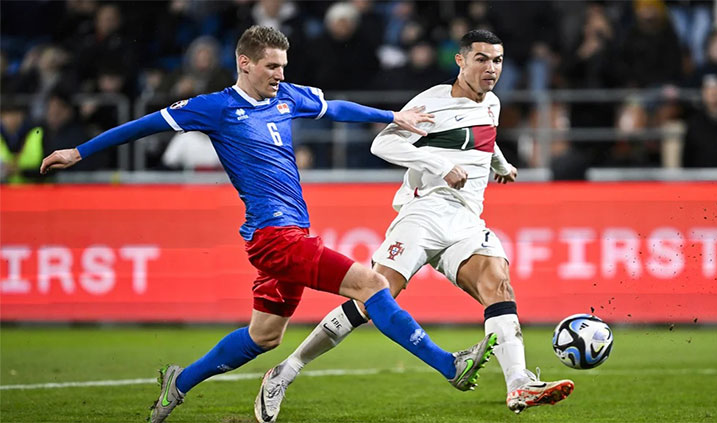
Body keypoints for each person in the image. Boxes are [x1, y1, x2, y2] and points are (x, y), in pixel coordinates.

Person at [39, 26, 498, 423]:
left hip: (288, 234)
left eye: (283, 66)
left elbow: (334, 107)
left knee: (264, 336)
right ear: (245, 63)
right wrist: (78, 152)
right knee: (372, 285)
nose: (281, 75)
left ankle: (179, 381)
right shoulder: (213, 107)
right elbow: (142, 126)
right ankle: (448, 366)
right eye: (273, 67)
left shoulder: (287, 96)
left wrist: (391, 116)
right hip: (274, 237)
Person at [256, 29, 574, 422]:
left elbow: (483, 138)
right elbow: (383, 144)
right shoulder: (433, 102)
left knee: (499, 285)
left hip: (465, 220)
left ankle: (518, 384)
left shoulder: (491, 102)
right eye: (481, 59)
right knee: (371, 300)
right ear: (460, 61)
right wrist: (438, 165)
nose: (491, 68)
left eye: (497, 60)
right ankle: (284, 372)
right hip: (423, 214)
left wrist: (500, 165)